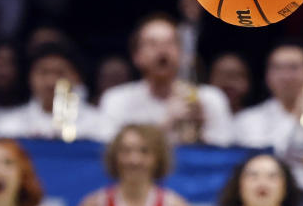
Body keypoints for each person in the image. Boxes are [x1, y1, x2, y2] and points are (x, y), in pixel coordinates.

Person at [99, 13, 233, 145]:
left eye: (170, 43)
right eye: (152, 44)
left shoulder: (210, 98)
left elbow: (226, 153)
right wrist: (167, 122)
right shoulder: (116, 100)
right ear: (136, 56)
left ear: (182, 53)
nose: (162, 51)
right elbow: (111, 152)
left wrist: (201, 130)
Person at [71, 124, 195, 206]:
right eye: (126, 151)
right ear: (115, 156)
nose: (134, 160)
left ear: (158, 158)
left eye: (144, 151)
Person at [0, 42, 113, 142]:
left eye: (60, 73)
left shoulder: (99, 125)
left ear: (77, 78)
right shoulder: (10, 126)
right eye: (43, 72)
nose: (51, 82)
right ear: (29, 78)